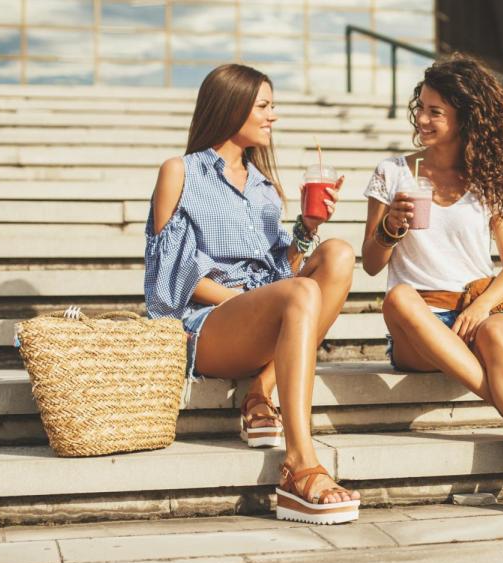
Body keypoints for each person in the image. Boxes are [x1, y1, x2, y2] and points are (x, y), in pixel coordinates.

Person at [361, 54, 503, 521]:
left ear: (466, 116)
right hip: (418, 324)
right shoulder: (394, 173)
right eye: (420, 108)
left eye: (435, 111)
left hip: (476, 305)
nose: (421, 119)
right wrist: (391, 227)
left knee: (501, 332)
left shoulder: (488, 181)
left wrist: (483, 307)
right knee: (398, 296)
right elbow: (370, 264)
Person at [144, 63, 360, 525]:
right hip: (206, 325)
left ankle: (261, 389)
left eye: (272, 106)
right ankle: (300, 463)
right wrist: (243, 301)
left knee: (339, 253)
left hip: (268, 313)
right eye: (264, 106)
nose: (273, 116)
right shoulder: (181, 172)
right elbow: (169, 277)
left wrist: (308, 229)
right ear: (232, 106)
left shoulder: (266, 188)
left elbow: (285, 272)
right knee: (298, 293)